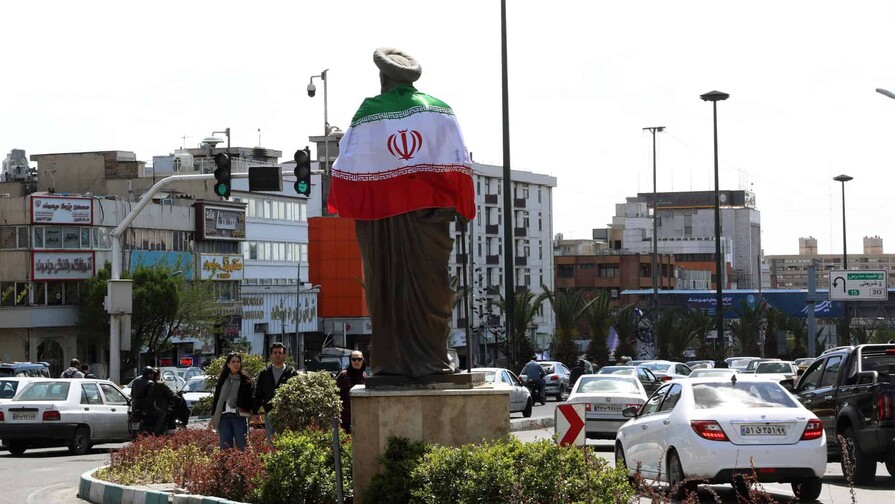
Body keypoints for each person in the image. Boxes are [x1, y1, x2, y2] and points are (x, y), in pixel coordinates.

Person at [327, 48, 475, 378]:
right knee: (431, 288)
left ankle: (390, 363)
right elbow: (459, 161)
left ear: (383, 78)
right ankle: (433, 359)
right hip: (429, 219)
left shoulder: (370, 113)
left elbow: (347, 163)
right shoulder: (440, 111)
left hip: (382, 221)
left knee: (385, 288)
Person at [209, 352, 255, 450]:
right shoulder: (222, 380)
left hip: (239, 417)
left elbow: (251, 400)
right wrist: (213, 416)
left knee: (243, 447)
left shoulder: (245, 380)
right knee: (225, 448)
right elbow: (217, 399)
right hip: (224, 417)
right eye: (233, 361)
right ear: (228, 364)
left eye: (238, 362)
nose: (236, 364)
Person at [255, 342, 299, 440]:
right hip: (270, 413)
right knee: (271, 442)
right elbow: (259, 393)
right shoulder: (264, 373)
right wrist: (256, 410)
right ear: (271, 355)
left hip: (287, 414)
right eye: (275, 353)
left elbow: (298, 393)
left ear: (285, 355)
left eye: (280, 352)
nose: (277, 355)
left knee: (286, 441)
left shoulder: (291, 373)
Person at [336, 351, 367, 433]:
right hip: (345, 419)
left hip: (361, 418)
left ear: (363, 360)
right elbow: (334, 394)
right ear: (350, 361)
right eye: (354, 359)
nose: (356, 361)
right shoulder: (343, 375)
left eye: (359, 359)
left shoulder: (365, 376)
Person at [131, 366, 164, 435]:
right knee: (162, 414)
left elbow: (132, 394)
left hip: (135, 406)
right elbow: (150, 398)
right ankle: (156, 433)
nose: (152, 375)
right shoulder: (150, 383)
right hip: (146, 408)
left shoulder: (136, 380)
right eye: (151, 374)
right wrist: (151, 408)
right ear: (148, 374)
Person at [152, 369, 178, 435]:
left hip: (147, 406)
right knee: (163, 414)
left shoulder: (147, 382)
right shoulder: (160, 384)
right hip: (159, 407)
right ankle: (157, 432)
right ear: (158, 375)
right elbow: (171, 393)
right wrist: (178, 398)